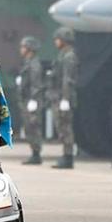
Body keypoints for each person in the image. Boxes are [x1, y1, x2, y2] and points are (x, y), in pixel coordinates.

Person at [50, 27, 78, 169]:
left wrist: (65, 99)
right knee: (61, 127)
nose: (56, 41)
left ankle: (68, 157)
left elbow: (68, 79)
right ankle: (66, 155)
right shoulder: (63, 55)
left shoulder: (69, 57)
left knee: (65, 127)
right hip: (59, 96)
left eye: (58, 39)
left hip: (64, 97)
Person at [16, 36, 44, 165]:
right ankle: (34, 152)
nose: (21, 50)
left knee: (33, 126)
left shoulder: (34, 64)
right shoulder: (28, 63)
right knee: (29, 127)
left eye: (24, 47)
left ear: (30, 49)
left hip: (32, 100)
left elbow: (36, 83)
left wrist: (34, 99)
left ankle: (36, 154)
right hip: (26, 100)